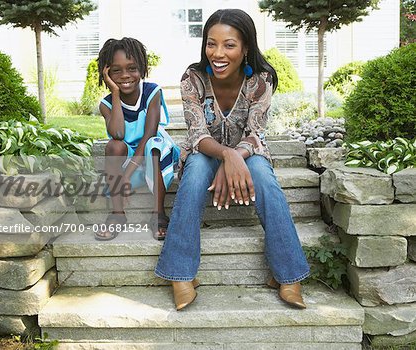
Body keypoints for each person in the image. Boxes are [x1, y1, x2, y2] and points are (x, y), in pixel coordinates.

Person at [154, 9, 310, 310]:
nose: (217, 53)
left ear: (246, 47)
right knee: (197, 171)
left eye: (229, 45)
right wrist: (226, 155)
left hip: (249, 152)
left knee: (264, 177)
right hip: (205, 151)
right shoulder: (193, 78)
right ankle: (180, 275)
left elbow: (255, 133)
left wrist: (236, 158)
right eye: (211, 44)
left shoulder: (262, 80)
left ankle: (290, 276)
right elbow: (198, 134)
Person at [95, 37, 179, 241]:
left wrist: (125, 177)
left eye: (132, 68)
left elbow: (150, 133)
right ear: (107, 73)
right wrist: (115, 92)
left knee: (153, 145)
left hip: (154, 156)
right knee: (114, 146)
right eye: (116, 70)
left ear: (142, 68)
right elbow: (117, 134)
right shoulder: (106, 104)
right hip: (127, 157)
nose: (125, 75)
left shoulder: (152, 92)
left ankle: (158, 214)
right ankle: (117, 215)